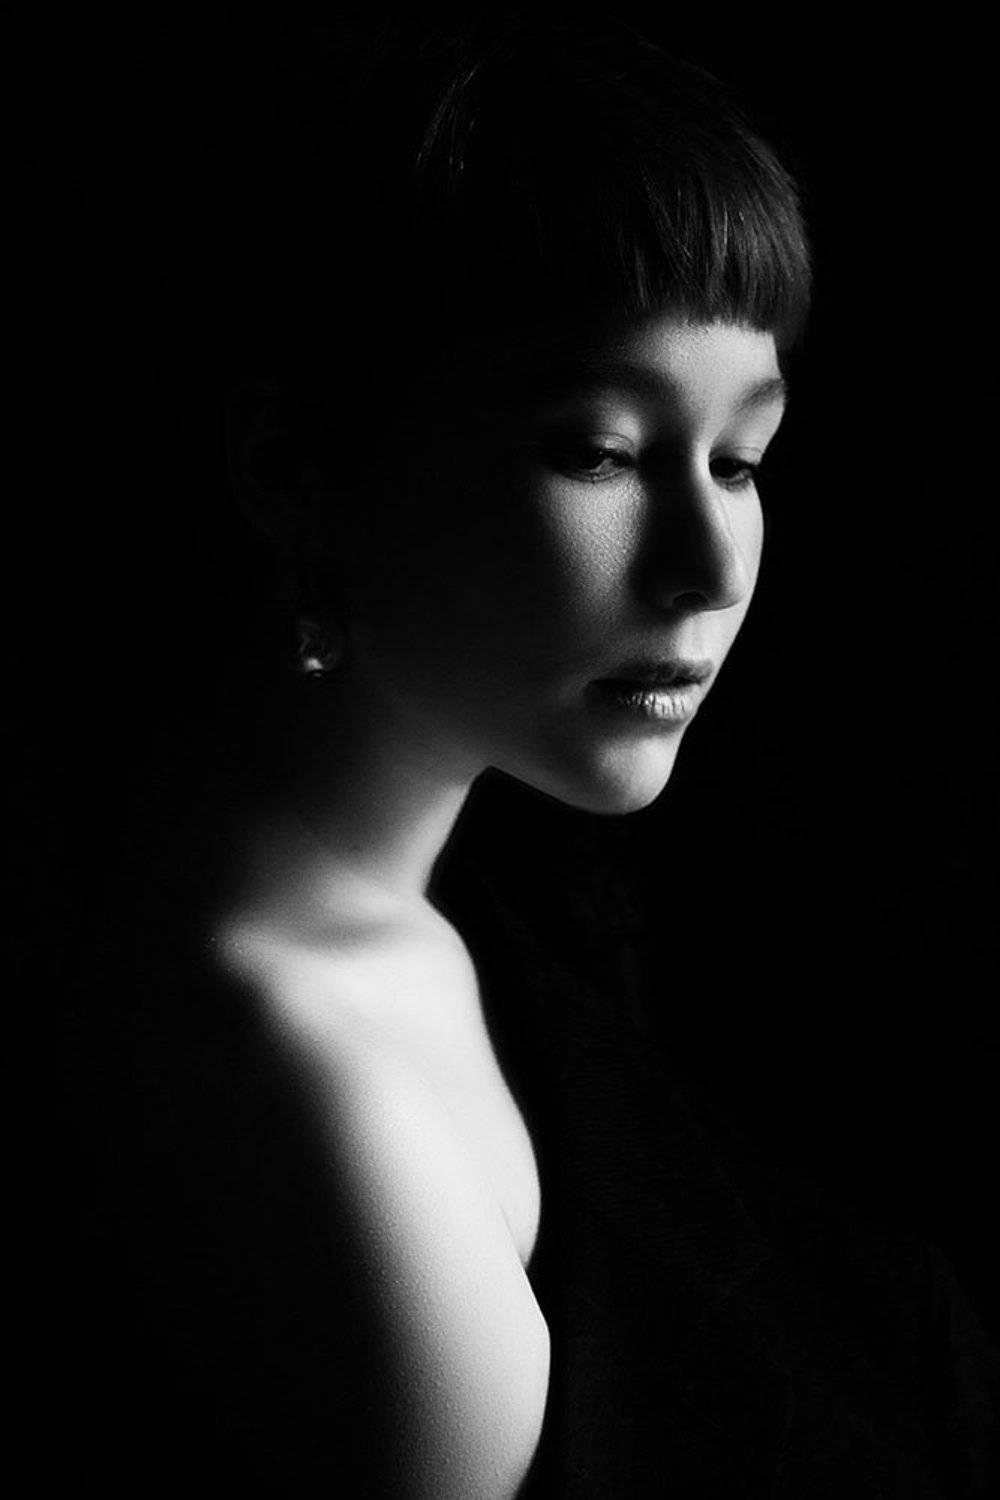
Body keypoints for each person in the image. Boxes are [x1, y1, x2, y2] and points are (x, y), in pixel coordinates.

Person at [65, 15, 998, 1498]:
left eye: (740, 461)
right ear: (294, 470)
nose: (709, 568)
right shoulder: (308, 1105)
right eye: (601, 452)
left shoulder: (504, 882)